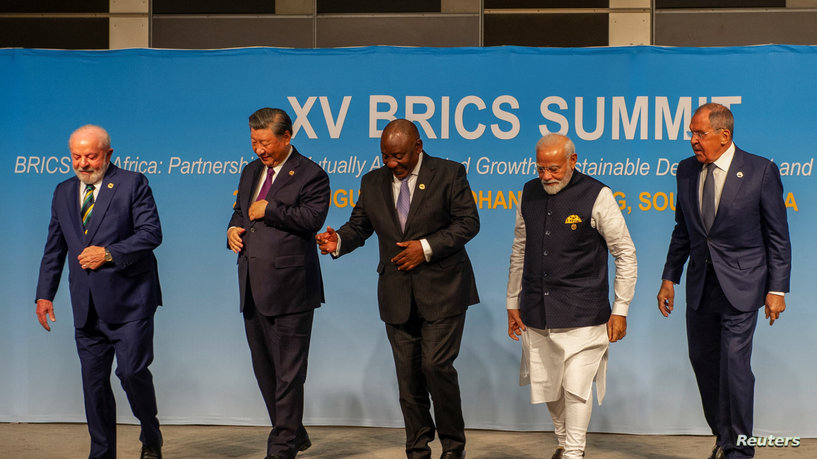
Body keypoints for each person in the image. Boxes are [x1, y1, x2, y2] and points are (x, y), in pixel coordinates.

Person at [316, 119, 479, 459]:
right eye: (385, 156)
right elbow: (360, 225)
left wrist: (425, 247)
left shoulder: (449, 173)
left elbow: (468, 223)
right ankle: (417, 448)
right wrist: (339, 240)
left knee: (436, 367)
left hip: (444, 291)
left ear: (418, 147)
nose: (392, 163)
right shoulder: (372, 181)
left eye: (399, 156)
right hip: (396, 294)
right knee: (408, 379)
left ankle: (453, 446)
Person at [657, 103, 791, 459]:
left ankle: (739, 450)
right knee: (703, 363)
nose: (693, 140)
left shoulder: (760, 171)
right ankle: (724, 436)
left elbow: (778, 236)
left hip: (744, 285)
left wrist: (776, 289)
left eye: (699, 133)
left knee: (734, 366)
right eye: (691, 133)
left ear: (724, 135)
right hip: (701, 286)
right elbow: (683, 229)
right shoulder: (686, 170)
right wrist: (670, 277)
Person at [35, 125, 164, 459]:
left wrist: (108, 253)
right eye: (76, 157)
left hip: (131, 302)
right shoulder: (63, 191)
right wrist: (44, 294)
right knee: (94, 388)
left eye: (91, 156)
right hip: (86, 307)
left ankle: (150, 433)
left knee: (132, 373)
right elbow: (54, 248)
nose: (83, 163)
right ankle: (102, 454)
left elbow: (151, 233)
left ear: (108, 154)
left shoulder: (132, 183)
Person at [506, 133, 637, 459]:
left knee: (576, 387)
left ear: (572, 161)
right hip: (537, 309)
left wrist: (621, 308)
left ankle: (574, 453)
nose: (546, 176)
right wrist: (512, 301)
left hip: (585, 313)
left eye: (554, 169)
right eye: (540, 169)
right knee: (548, 386)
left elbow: (625, 253)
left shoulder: (597, 194)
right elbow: (520, 249)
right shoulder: (528, 193)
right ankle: (564, 442)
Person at [227, 108, 330, 459]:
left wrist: (269, 210)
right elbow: (241, 211)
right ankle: (294, 432)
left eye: (265, 142)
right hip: (252, 286)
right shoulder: (250, 171)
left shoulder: (312, 174)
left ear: (286, 137)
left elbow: (313, 218)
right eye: (254, 142)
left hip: (292, 288)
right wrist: (232, 229)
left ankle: (282, 447)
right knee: (265, 371)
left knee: (289, 373)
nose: (259, 149)